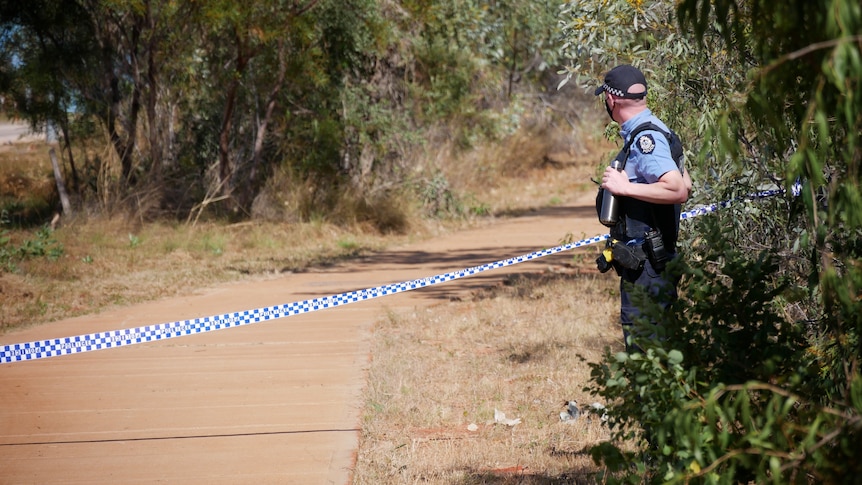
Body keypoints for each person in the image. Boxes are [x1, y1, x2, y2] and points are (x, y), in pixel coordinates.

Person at [594, 64, 692, 351]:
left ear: (611, 100)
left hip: (648, 268)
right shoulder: (660, 130)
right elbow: (687, 182)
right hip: (654, 264)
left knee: (645, 355)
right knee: (659, 349)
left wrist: (625, 188)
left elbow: (677, 188)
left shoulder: (645, 140)